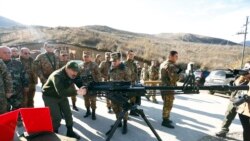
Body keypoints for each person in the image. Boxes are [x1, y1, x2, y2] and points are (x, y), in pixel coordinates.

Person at [42, 61, 87, 139]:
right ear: (67, 68)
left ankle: (70, 131)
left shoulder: (74, 74)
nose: (75, 73)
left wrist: (84, 87)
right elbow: (61, 92)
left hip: (61, 95)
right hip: (50, 96)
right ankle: (54, 134)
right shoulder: (57, 76)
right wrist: (77, 92)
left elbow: (79, 81)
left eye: (76, 71)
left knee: (68, 114)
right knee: (56, 117)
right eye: (73, 71)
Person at [216, 62, 250, 137]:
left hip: (245, 101)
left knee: (247, 127)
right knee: (229, 114)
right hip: (236, 98)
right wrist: (241, 76)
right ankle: (224, 130)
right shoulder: (241, 77)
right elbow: (236, 84)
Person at [0, 46, 29, 111]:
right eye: (5, 53)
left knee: (17, 109)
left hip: (17, 91)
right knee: (4, 111)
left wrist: (26, 86)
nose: (8, 54)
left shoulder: (17, 63)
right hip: (3, 93)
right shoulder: (0, 64)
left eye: (9, 52)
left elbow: (24, 74)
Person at [109, 52, 130, 134]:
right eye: (112, 61)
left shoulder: (125, 69)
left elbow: (128, 82)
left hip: (122, 93)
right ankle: (119, 123)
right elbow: (109, 78)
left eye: (115, 61)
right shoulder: (111, 68)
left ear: (119, 60)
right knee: (115, 108)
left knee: (123, 109)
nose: (113, 62)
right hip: (113, 92)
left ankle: (125, 124)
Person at [159, 50, 180, 128]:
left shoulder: (163, 64)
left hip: (164, 87)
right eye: (176, 56)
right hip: (168, 88)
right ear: (170, 56)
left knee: (166, 104)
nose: (177, 58)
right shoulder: (170, 65)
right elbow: (174, 78)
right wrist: (179, 73)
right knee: (168, 104)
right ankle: (165, 120)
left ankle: (166, 118)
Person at [80, 51, 101, 120]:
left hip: (93, 85)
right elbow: (78, 75)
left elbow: (98, 75)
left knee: (93, 100)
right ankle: (88, 111)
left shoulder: (94, 65)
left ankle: (93, 113)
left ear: (90, 57)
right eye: (84, 56)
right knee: (86, 100)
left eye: (87, 56)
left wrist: (98, 85)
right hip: (84, 86)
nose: (85, 58)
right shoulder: (81, 65)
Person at [124, 50, 140, 116]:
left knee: (134, 97)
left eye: (133, 54)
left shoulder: (134, 64)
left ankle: (132, 111)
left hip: (133, 83)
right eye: (130, 54)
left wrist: (138, 81)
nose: (132, 56)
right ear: (127, 55)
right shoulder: (124, 64)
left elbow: (136, 73)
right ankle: (125, 113)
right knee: (127, 98)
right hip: (127, 83)